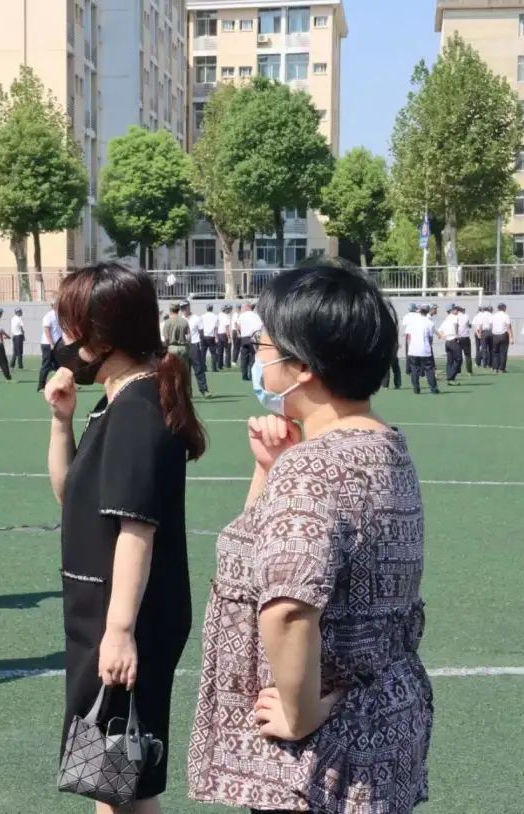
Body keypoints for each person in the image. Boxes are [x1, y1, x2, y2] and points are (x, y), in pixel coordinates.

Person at [188, 263, 432, 814]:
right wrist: (269, 468)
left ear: (301, 366)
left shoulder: (315, 468)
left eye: (263, 346)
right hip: (382, 731)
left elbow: (288, 610)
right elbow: (263, 555)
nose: (256, 358)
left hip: (322, 762)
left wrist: (300, 714)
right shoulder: (386, 447)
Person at [44, 262, 206, 814]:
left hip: (125, 616)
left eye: (71, 325)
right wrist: (61, 421)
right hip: (105, 612)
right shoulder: (117, 399)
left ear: (101, 333)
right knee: (116, 781)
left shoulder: (137, 411)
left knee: (113, 775)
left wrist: (119, 632)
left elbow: (137, 529)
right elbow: (70, 495)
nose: (65, 339)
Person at [406, 303, 439, 395]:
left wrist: (410, 347)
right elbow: (430, 338)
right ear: (428, 311)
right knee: (429, 369)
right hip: (425, 350)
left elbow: (408, 336)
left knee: (414, 369)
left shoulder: (412, 321)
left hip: (413, 349)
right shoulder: (430, 323)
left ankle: (416, 389)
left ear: (419, 310)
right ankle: (433, 389)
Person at [183, 302, 212, 398]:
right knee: (185, 370)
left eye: (185, 307)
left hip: (195, 345)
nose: (183, 310)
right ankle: (188, 392)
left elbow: (201, 332)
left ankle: (204, 390)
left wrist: (200, 345)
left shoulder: (196, 318)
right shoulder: (181, 319)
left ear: (188, 307)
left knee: (198, 369)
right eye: (182, 308)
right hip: (184, 346)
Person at [163, 301, 191, 392]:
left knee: (172, 372)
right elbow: (189, 337)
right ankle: (187, 391)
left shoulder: (167, 323)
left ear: (170, 310)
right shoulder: (184, 321)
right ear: (178, 310)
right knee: (185, 371)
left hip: (172, 348)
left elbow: (166, 339)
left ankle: (174, 391)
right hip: (183, 348)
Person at [37, 301, 62, 391]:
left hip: (57, 344)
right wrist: (51, 343)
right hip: (48, 345)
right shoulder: (49, 316)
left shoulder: (59, 315)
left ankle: (64, 385)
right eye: (57, 304)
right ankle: (41, 386)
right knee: (46, 365)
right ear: (53, 305)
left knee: (60, 366)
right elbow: (46, 330)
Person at [237, 301, 263, 383]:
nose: (244, 308)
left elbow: (238, 326)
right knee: (253, 357)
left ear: (247, 307)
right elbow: (260, 326)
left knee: (244, 357)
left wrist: (241, 332)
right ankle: (252, 376)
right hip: (253, 337)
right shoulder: (256, 316)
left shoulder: (241, 315)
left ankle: (244, 375)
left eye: (245, 306)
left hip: (244, 337)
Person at [438, 304, 461, 385]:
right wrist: (456, 335)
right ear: (451, 310)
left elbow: (439, 331)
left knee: (450, 361)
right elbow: (455, 325)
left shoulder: (446, 319)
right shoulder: (454, 317)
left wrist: (443, 337)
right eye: (455, 309)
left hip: (447, 342)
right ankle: (451, 377)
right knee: (459, 359)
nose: (457, 310)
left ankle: (450, 378)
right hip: (453, 340)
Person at [490, 303, 513, 373]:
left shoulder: (494, 315)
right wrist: (511, 337)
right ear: (504, 308)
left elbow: (491, 325)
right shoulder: (506, 316)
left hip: (495, 335)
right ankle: (501, 368)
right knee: (503, 352)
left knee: (495, 352)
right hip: (503, 335)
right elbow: (508, 326)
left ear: (498, 308)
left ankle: (495, 368)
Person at [201, 304, 220, 372]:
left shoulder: (202, 316)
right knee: (213, 353)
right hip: (211, 336)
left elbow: (201, 327)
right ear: (212, 308)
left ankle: (203, 367)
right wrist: (216, 337)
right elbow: (216, 328)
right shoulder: (215, 316)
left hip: (204, 336)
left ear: (206, 309)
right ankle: (214, 368)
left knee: (203, 353)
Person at [455, 304, 473, 375]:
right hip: (465, 337)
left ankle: (458, 370)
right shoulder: (466, 316)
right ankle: (469, 371)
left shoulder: (456, 316)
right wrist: (470, 325)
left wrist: (456, 335)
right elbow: (468, 325)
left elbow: (456, 326)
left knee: (458, 355)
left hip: (458, 337)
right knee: (467, 355)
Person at [217, 304, 232, 369]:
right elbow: (227, 328)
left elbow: (217, 324)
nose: (230, 311)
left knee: (220, 351)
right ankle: (227, 364)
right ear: (226, 310)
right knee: (228, 350)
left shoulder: (219, 315)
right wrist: (229, 337)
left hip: (219, 334)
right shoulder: (226, 317)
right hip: (224, 334)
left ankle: (220, 365)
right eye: (229, 309)